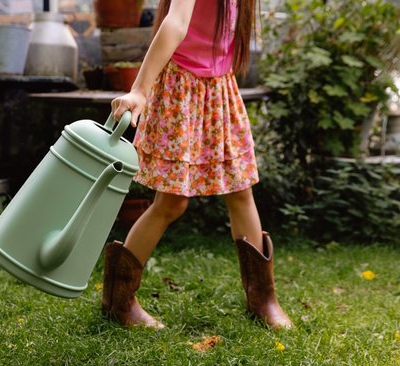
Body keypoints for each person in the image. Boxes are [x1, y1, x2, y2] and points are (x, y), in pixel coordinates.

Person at [101, 0, 293, 330]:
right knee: (172, 202)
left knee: (240, 190)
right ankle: (118, 300)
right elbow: (176, 23)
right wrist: (139, 91)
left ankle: (263, 299)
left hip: (220, 87)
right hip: (181, 87)